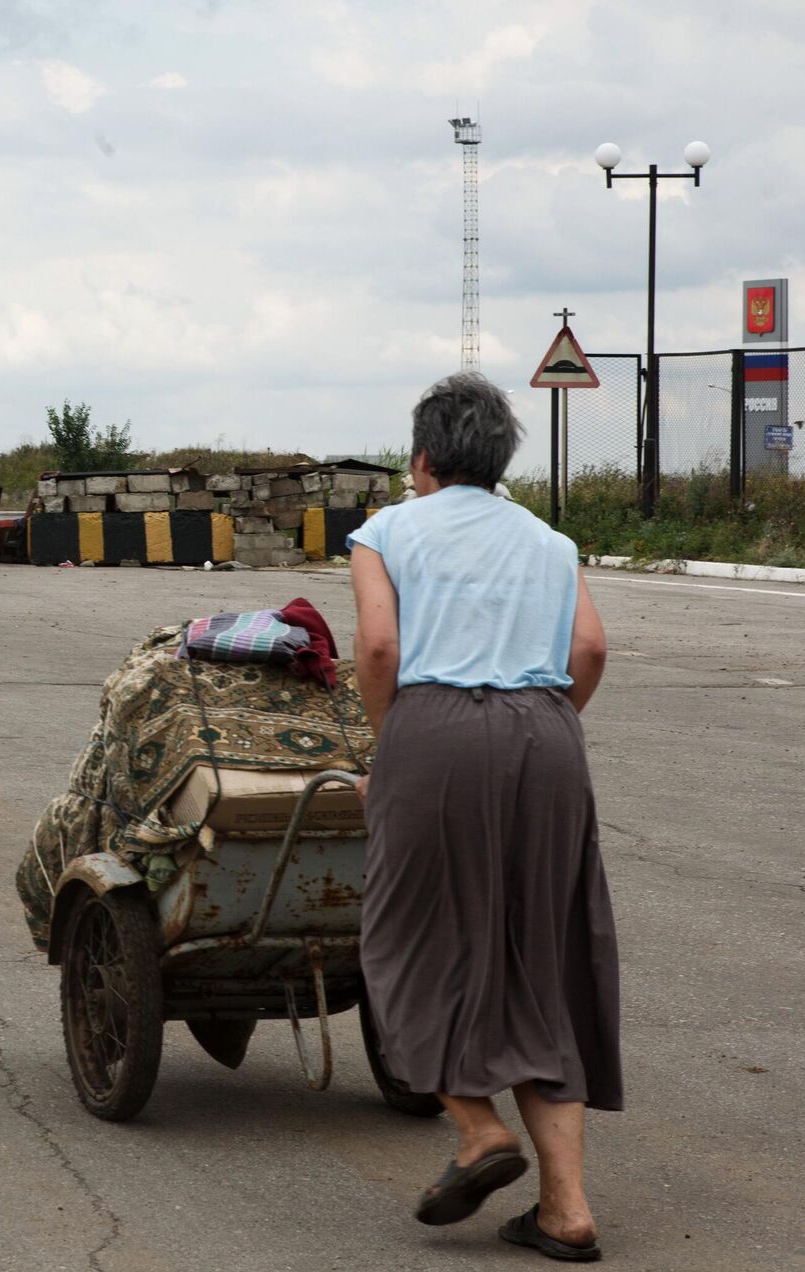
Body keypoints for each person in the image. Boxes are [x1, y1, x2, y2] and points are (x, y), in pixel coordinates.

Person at [348, 372, 618, 1263]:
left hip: (433, 730)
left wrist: (397, 748)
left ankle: (477, 1129)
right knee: (543, 958)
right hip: (548, 737)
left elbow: (381, 647)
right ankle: (567, 1211)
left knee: (404, 938)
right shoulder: (549, 538)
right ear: (499, 459)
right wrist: (541, 725)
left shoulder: (386, 530)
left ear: (421, 458)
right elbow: (589, 649)